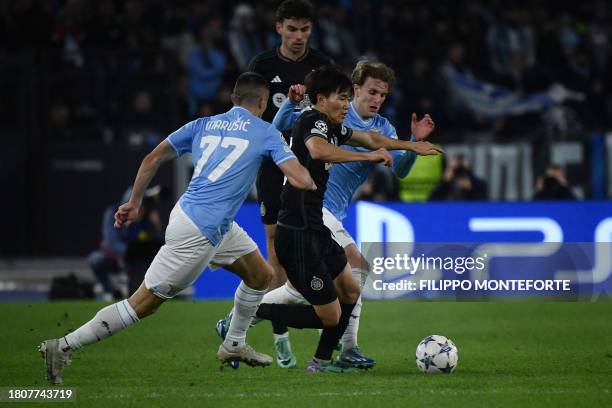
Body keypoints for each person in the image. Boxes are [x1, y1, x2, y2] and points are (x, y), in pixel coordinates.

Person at [38, 72, 316, 384]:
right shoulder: (265, 132)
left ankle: (233, 344)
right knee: (143, 304)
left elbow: (151, 159)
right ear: (264, 102)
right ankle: (61, 347)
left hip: (199, 217)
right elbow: (300, 178)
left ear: (232, 99)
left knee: (261, 275)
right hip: (200, 231)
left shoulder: (202, 124)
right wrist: (316, 174)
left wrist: (135, 202)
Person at [220, 61, 437, 369]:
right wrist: (293, 105)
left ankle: (240, 320)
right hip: (307, 211)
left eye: (383, 95)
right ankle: (344, 348)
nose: (376, 99)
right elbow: (293, 134)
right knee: (356, 270)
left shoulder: (375, 125)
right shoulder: (321, 115)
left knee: (305, 291)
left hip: (327, 215)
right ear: (355, 89)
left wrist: (413, 144)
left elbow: (388, 157)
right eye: (370, 92)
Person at [248, 1, 333, 333]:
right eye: (292, 29)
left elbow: (335, 110)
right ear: (279, 28)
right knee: (274, 240)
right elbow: (251, 112)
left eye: (305, 29)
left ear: (311, 29)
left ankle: (295, 304)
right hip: (273, 162)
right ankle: (278, 327)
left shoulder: (322, 66)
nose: (299, 36)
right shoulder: (263, 65)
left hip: (308, 162)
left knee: (313, 235)